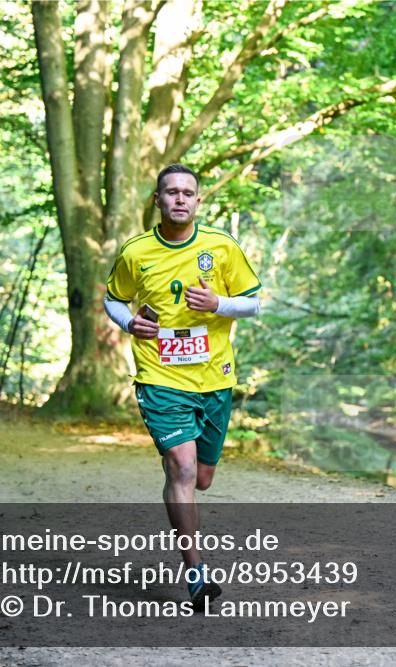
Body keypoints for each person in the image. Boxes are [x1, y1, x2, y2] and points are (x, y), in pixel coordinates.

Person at [104, 164, 262, 606]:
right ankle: (196, 574)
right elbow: (113, 299)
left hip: (213, 378)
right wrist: (129, 323)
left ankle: (179, 476)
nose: (179, 199)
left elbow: (253, 303)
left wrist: (218, 303)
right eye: (170, 192)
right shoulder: (136, 252)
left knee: (202, 478)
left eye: (187, 193)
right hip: (159, 376)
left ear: (197, 201)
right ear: (157, 200)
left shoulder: (221, 246)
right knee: (184, 469)